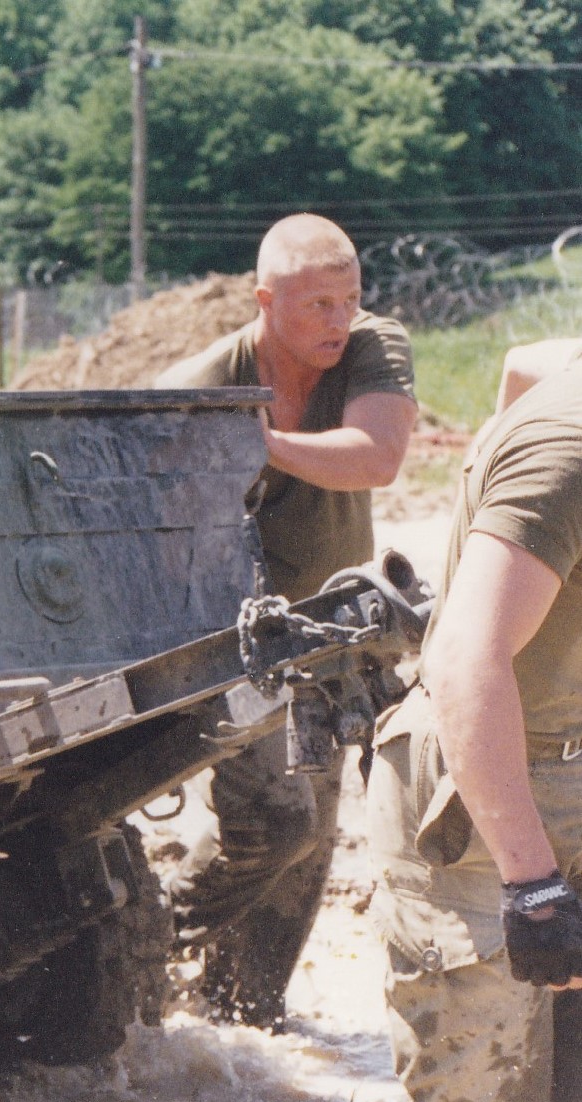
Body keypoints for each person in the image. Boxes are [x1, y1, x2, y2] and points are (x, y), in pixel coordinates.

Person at [153, 214, 418, 1029]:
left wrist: (259, 441)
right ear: (264, 302)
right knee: (276, 823)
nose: (338, 321)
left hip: (331, 634)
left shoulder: (369, 345)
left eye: (348, 300)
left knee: (309, 843)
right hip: (235, 639)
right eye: (316, 306)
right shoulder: (203, 384)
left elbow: (376, 455)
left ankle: (243, 1012)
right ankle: (154, 946)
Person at [317, 360, 582, 1102]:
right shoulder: (565, 451)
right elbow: (466, 658)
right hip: (483, 788)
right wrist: (533, 886)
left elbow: (522, 362)